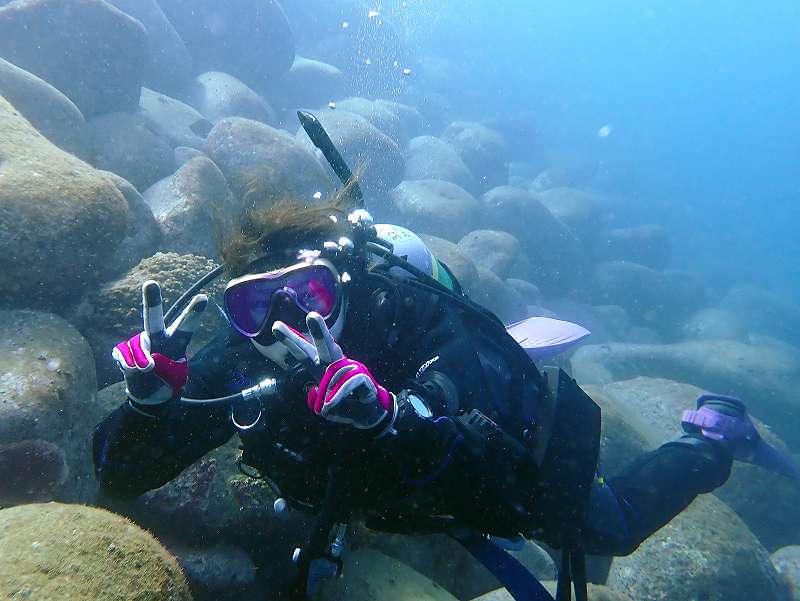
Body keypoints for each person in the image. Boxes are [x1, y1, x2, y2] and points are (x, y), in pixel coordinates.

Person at [93, 129, 796, 601]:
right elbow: (120, 473)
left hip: (445, 442)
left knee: (603, 523)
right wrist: (148, 405)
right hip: (369, 489)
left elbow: (492, 455)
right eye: (254, 306)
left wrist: (396, 420)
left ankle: (711, 438)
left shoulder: (410, 317)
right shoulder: (245, 357)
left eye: (306, 294)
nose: (284, 324)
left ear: (342, 286)